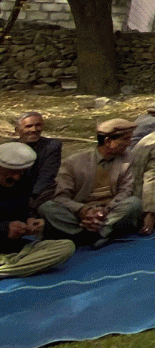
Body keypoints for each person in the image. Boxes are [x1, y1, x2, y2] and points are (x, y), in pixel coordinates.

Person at [39, 118, 142, 248]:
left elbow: (126, 191)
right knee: (47, 208)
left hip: (110, 213)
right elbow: (61, 196)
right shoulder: (74, 162)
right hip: (81, 214)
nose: (129, 143)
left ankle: (90, 233)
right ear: (108, 142)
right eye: (125, 139)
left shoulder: (127, 159)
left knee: (134, 203)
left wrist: (104, 212)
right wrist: (83, 210)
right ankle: (98, 234)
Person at [0, 141, 74, 278]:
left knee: (66, 247)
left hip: (12, 247)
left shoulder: (24, 180)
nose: (16, 177)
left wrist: (29, 221)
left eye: (21, 172)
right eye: (11, 172)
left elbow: (21, 209)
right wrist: (5, 229)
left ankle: (8, 267)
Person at [14, 111, 61, 208]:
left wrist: (32, 197)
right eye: (28, 126)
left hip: (39, 193)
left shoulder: (51, 146)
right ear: (17, 130)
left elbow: (47, 175)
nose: (34, 130)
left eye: (38, 125)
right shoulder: (8, 147)